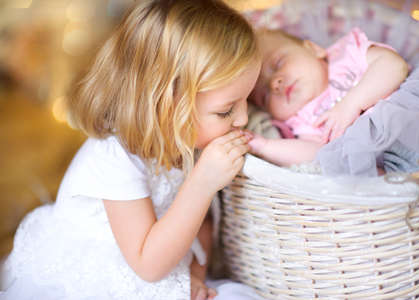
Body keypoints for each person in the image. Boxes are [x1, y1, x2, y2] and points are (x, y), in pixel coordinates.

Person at [0, 1, 264, 299]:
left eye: (245, 100)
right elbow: (148, 266)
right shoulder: (114, 159)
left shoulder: (190, 141)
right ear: (167, 104)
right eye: (226, 110)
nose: (242, 118)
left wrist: (194, 277)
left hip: (164, 262)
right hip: (108, 276)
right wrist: (202, 184)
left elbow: (202, 224)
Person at [248, 27, 409, 168]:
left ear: (313, 49)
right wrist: (265, 146)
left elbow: (393, 65)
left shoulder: (346, 55)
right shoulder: (304, 121)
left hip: (406, 126)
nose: (275, 84)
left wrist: (351, 104)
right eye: (264, 96)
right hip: (382, 164)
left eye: (278, 64)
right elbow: (318, 157)